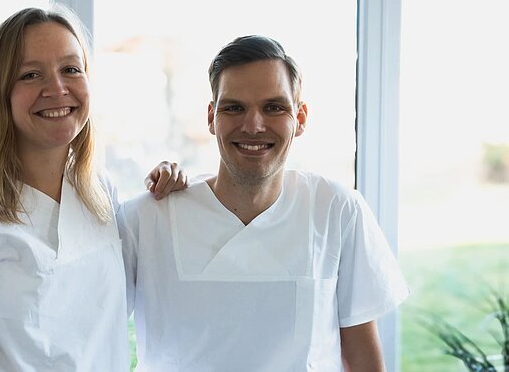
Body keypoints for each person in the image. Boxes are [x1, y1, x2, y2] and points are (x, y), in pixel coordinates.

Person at [0, 5, 187, 372]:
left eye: (71, 69)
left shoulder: (99, 191)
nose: (57, 89)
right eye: (30, 75)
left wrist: (169, 188)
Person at [119, 35, 410, 371]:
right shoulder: (148, 217)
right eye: (234, 108)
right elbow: (93, 331)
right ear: (211, 117)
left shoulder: (337, 210)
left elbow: (362, 358)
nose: (253, 126)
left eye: (273, 107)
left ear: (300, 118)